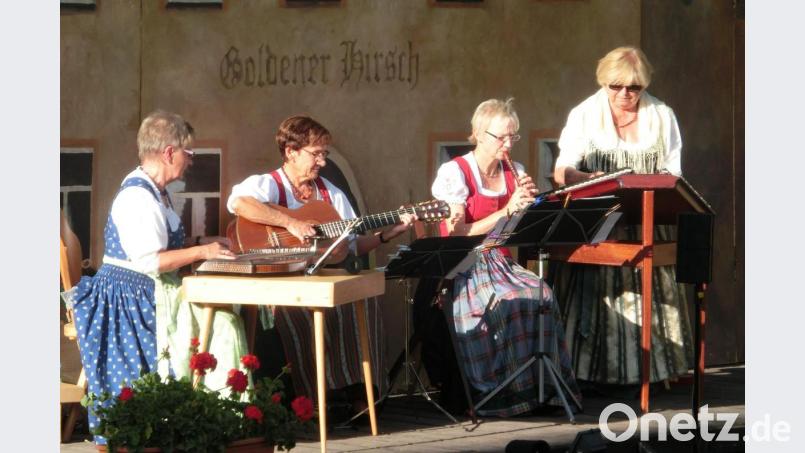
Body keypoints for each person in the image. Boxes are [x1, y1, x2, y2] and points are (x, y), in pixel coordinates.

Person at [65, 111, 250, 444]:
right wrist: (202, 254)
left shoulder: (157, 192)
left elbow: (163, 245)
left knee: (223, 320)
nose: (190, 161)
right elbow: (151, 260)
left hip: (149, 293)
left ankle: (209, 422)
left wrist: (200, 242)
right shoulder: (137, 198)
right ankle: (200, 421)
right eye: (188, 153)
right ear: (168, 153)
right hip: (131, 302)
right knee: (221, 326)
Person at [226, 115, 415, 413]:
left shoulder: (331, 193)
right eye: (316, 153)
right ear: (291, 151)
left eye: (325, 154)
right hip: (276, 285)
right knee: (295, 315)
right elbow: (239, 204)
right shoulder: (268, 185)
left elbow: (350, 245)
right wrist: (291, 223)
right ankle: (304, 402)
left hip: (319, 281)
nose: (322, 162)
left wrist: (384, 235)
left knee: (360, 305)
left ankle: (359, 397)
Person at [551, 46, 693, 385]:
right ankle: (590, 375)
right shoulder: (584, 114)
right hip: (600, 221)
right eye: (616, 86)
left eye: (634, 87)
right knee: (598, 297)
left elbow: (674, 172)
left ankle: (654, 374)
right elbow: (562, 169)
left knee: (651, 297)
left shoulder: (662, 115)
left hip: (647, 219)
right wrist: (592, 181)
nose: (624, 94)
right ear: (604, 82)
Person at [430, 98, 580, 417]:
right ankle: (497, 392)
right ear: (479, 134)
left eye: (514, 136)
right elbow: (457, 232)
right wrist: (506, 210)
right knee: (506, 300)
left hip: (501, 262)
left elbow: (521, 227)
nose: (508, 144)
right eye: (502, 137)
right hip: (464, 264)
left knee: (542, 293)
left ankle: (540, 389)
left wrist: (529, 208)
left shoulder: (516, 171)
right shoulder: (454, 172)